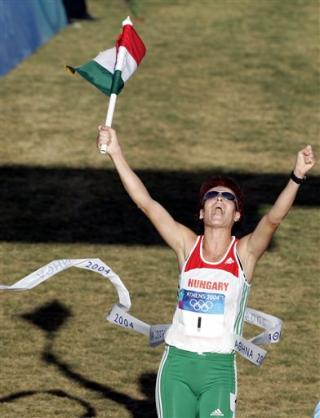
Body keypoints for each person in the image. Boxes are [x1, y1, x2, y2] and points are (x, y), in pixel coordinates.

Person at [97, 126, 315, 418]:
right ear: (201, 211)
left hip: (219, 370)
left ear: (237, 215)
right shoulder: (187, 246)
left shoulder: (244, 254)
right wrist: (116, 153)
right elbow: (146, 204)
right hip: (176, 367)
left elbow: (273, 219)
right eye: (212, 195)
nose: (220, 200)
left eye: (228, 197)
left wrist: (297, 176)